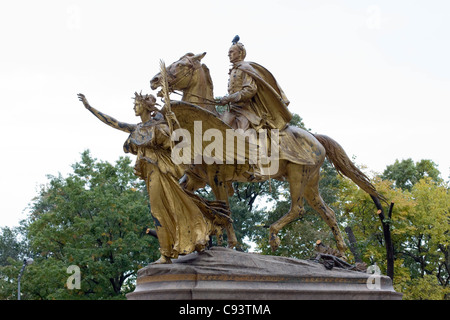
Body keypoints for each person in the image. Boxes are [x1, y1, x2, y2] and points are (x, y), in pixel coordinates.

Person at [78, 92, 231, 264]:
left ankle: (166, 253)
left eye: (136, 104)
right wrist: (90, 108)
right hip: (150, 173)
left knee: (160, 210)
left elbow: (179, 147)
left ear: (145, 106)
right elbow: (114, 123)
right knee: (161, 211)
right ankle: (168, 251)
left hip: (161, 172)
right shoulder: (138, 129)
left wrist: (174, 128)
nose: (134, 107)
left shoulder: (159, 127)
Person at [220, 37, 292, 131]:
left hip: (246, 110)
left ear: (240, 53)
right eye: (229, 52)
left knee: (241, 135)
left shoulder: (245, 68)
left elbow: (250, 90)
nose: (228, 54)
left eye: (232, 52)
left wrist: (229, 98)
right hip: (233, 109)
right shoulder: (234, 69)